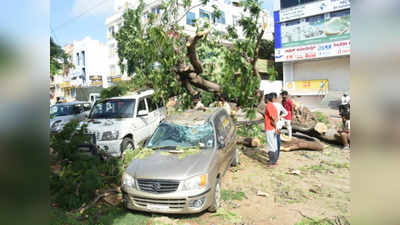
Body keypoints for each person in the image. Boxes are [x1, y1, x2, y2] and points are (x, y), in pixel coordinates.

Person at [271, 92, 288, 163]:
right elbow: (286, 112)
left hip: (272, 125)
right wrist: (280, 116)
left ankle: (273, 157)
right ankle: (276, 157)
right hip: (277, 125)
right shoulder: (278, 105)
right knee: (277, 140)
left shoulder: (270, 105)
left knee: (273, 141)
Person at [264, 93, 279, 166]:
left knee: (270, 145)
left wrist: (275, 127)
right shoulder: (273, 105)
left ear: (267, 99)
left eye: (265, 98)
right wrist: (276, 128)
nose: (264, 100)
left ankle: (272, 161)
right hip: (273, 127)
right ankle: (274, 160)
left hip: (270, 127)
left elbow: (272, 118)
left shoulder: (268, 105)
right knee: (274, 144)